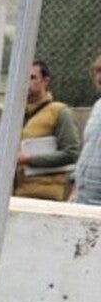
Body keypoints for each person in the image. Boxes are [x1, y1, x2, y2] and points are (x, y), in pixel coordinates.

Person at [12, 59, 80, 201]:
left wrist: (30, 159)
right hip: (16, 194)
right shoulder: (15, 114)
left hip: (45, 196)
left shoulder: (59, 112)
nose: (26, 82)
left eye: (32, 77)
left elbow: (71, 153)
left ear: (45, 81)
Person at [71, 51, 101, 206]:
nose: (99, 77)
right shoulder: (98, 107)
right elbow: (88, 150)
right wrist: (75, 191)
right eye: (98, 70)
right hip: (84, 199)